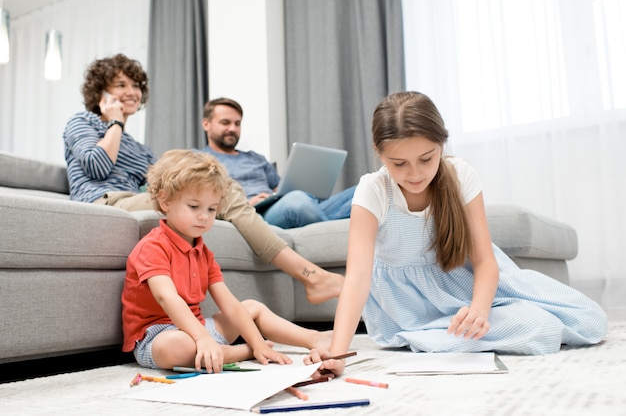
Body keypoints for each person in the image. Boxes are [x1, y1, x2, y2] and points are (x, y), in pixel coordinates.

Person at [305, 91, 608, 377]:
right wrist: (338, 354)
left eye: (426, 158)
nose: (415, 174)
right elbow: (359, 278)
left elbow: (485, 261)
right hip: (412, 308)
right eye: (399, 164)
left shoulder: (461, 174)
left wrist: (478, 311)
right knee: (539, 328)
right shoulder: (372, 191)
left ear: (442, 145)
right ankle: (427, 335)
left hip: (471, 287)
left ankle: (449, 333)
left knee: (589, 318)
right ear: (379, 154)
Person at [62, 53, 342, 304]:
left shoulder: (138, 147)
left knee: (221, 190)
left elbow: (155, 183)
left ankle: (311, 275)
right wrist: (116, 121)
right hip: (105, 202)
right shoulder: (82, 122)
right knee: (216, 194)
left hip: (134, 199)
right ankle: (311, 275)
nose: (132, 92)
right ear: (101, 92)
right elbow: (97, 166)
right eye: (121, 85)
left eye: (135, 86)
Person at [121, 149, 331, 370]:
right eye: (194, 207)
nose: (204, 216)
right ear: (165, 201)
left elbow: (229, 304)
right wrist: (203, 339)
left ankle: (313, 338)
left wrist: (259, 342)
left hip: (201, 329)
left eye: (212, 209)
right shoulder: (153, 246)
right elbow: (166, 297)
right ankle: (242, 351)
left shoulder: (203, 252)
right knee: (176, 346)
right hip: (158, 337)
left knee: (251, 307)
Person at [200, 97, 355, 229]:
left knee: (365, 188)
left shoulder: (256, 158)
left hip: (280, 205)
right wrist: (246, 203)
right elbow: (202, 201)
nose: (232, 129)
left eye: (237, 123)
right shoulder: (199, 159)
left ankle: (316, 220)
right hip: (253, 214)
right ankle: (336, 237)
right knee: (297, 201)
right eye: (225, 123)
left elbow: (282, 189)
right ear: (206, 124)